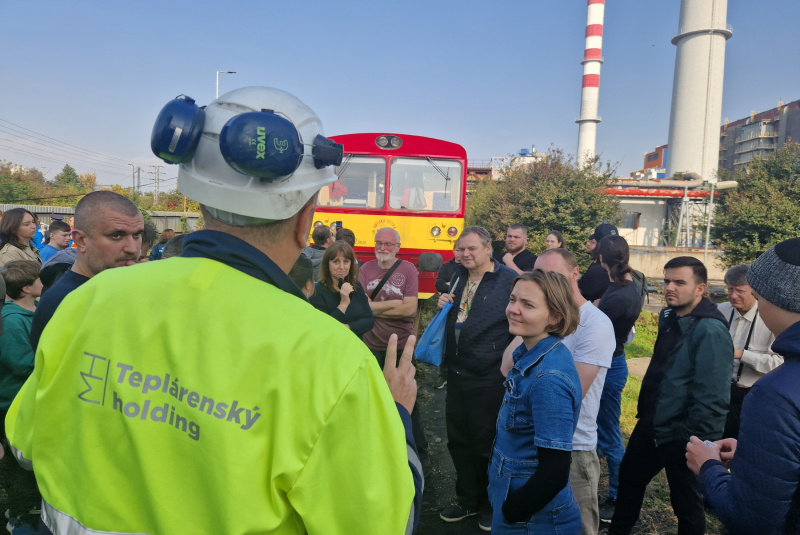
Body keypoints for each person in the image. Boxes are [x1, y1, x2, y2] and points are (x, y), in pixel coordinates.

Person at [5, 87, 422, 534]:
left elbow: (25, 442)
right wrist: (396, 418)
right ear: (306, 220)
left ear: (199, 202)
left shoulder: (88, 300)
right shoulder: (332, 359)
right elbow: (382, 523)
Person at [610, 257, 733, 535]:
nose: (670, 287)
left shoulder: (710, 330)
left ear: (701, 288)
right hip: (654, 419)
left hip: (683, 431)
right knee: (629, 478)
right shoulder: (670, 317)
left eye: (679, 282)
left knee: (685, 501)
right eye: (666, 281)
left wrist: (697, 439)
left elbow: (712, 395)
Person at [685, 237, 800, 535]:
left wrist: (709, 468)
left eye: (758, 299)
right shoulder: (722, 312)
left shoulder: (777, 395)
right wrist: (758, 457)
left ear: (777, 300)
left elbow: (752, 519)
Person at [504, 248, 615, 535]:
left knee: (576, 527)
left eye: (553, 275)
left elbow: (568, 390)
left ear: (575, 274)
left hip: (572, 447)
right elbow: (507, 369)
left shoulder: (596, 324)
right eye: (539, 274)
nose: (544, 281)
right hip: (529, 445)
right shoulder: (534, 320)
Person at [490, 269, 582, 534]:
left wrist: (511, 512)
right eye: (513, 299)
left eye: (527, 304)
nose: (513, 309)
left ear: (555, 316)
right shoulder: (530, 355)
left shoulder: (549, 378)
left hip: (532, 521)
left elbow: (554, 472)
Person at [438, 226, 517, 531]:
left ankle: (489, 503)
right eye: (461, 249)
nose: (465, 254)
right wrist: (444, 304)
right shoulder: (457, 277)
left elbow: (519, 323)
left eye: (471, 248)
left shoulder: (508, 280)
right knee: (458, 439)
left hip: (489, 376)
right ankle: (467, 500)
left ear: (487, 249)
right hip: (457, 372)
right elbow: (458, 318)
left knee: (487, 442)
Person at [28, 191, 145, 351]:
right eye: (116, 235)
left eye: (137, 235)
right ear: (80, 240)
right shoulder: (61, 304)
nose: (132, 248)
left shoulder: (122, 287)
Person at [359, 227, 428, 471]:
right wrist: (394, 304)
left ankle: (419, 455)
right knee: (376, 401)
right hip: (371, 345)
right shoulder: (365, 269)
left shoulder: (407, 269)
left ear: (397, 247)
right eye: (379, 242)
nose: (383, 247)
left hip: (400, 348)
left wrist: (374, 306)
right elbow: (361, 307)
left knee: (409, 402)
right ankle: (382, 452)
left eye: (388, 244)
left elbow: (409, 309)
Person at [594, 235, 644, 521]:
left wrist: (597, 309)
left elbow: (602, 326)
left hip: (609, 367)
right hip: (612, 361)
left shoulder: (621, 292)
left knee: (611, 433)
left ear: (602, 259)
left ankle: (616, 496)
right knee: (603, 428)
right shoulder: (628, 282)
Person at [0, 261, 43, 533]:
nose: (43, 282)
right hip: (12, 402)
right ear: (27, 288)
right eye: (39, 279)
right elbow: (19, 362)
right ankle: (17, 514)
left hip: (27, 400)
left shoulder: (32, 311)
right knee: (19, 464)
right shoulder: (12, 320)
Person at [716, 264, 782, 439]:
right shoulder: (721, 310)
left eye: (740, 291)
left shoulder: (770, 318)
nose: (733, 296)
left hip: (753, 395)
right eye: (730, 289)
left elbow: (779, 364)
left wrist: (741, 354)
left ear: (754, 290)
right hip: (719, 391)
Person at [309, 241, 374, 338]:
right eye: (336, 262)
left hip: (355, 347)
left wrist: (348, 327)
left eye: (346, 261)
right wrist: (343, 304)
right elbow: (324, 329)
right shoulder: (318, 291)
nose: (342, 267)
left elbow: (369, 320)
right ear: (327, 264)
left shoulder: (356, 286)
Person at [578, 223, 617, 302]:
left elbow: (574, 293)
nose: (588, 244)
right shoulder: (615, 266)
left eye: (592, 242)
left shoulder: (598, 270)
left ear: (600, 245)